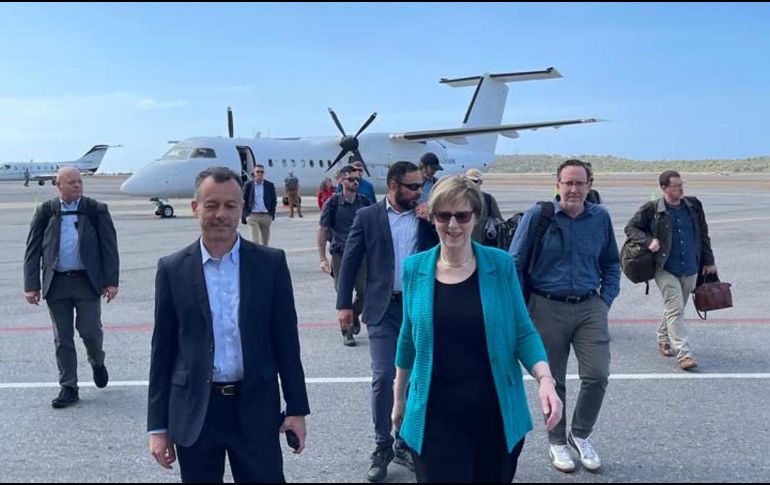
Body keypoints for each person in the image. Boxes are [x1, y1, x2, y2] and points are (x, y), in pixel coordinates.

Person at [392, 175, 562, 483]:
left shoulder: (500, 265)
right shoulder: (415, 268)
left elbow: (523, 331)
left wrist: (545, 380)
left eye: (462, 216)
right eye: (444, 215)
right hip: (435, 416)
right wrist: (398, 396)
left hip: (494, 416)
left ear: (475, 217)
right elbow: (408, 337)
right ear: (433, 218)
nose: (453, 225)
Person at [148, 167, 310, 483]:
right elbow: (163, 352)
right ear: (195, 208)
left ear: (242, 209)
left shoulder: (270, 264)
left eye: (230, 206)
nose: (221, 214)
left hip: (255, 406)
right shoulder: (172, 269)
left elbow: (287, 344)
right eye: (211, 205)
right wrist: (158, 427)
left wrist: (296, 409)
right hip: (197, 410)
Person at [509, 159, 620, 474]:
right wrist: (522, 309)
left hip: (589, 306)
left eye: (579, 183)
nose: (573, 189)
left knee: (598, 374)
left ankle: (580, 434)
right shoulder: (537, 216)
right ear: (557, 184)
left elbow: (611, 262)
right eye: (567, 183)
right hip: (546, 306)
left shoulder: (600, 218)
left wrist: (605, 300)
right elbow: (514, 263)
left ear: (589, 185)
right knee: (552, 380)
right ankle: (557, 441)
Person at [337, 161, 438, 482]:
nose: (419, 192)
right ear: (393, 185)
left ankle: (405, 442)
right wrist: (344, 305)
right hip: (382, 308)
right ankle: (382, 445)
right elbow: (350, 260)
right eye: (413, 186)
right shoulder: (368, 217)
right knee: (384, 377)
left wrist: (434, 222)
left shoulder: (426, 218)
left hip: (419, 307)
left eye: (421, 186)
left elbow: (451, 251)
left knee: (418, 378)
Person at [23, 166, 119, 408]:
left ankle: (97, 361)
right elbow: (32, 251)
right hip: (57, 284)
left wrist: (111, 282)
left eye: (79, 181)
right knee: (62, 338)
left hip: (87, 283)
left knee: (90, 332)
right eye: (71, 182)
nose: (77, 185)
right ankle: (69, 386)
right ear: (58, 185)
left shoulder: (96, 210)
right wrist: (31, 285)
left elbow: (109, 248)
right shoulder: (46, 211)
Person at [624, 170, 716, 370]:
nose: (681, 188)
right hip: (665, 268)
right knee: (675, 309)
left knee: (676, 308)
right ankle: (684, 354)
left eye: (682, 184)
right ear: (664, 188)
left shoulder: (694, 205)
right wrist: (648, 241)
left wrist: (709, 260)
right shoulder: (652, 208)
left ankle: (663, 337)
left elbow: (703, 234)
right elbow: (631, 228)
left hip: (691, 266)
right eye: (676, 186)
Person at [317, 165, 371, 347]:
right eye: (350, 179)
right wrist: (322, 258)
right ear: (341, 181)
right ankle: (347, 331)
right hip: (340, 255)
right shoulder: (332, 203)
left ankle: (354, 314)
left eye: (357, 179)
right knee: (343, 293)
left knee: (365, 291)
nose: (355, 182)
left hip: (361, 255)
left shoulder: (365, 202)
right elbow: (323, 230)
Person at [241, 164, 277, 246]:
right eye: (258, 172)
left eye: (262, 172)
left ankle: (263, 258)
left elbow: (273, 201)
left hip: (266, 216)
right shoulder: (249, 185)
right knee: (255, 241)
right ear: (254, 173)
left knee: (265, 243)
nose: (260, 173)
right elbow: (243, 199)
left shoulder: (269, 185)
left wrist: (271, 215)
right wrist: (246, 215)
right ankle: (255, 257)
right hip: (253, 216)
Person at [465, 168, 503, 243]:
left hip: (482, 244)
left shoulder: (488, 199)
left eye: (474, 181)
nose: (471, 183)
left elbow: (499, 221)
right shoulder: (457, 198)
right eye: (468, 181)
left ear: (480, 182)